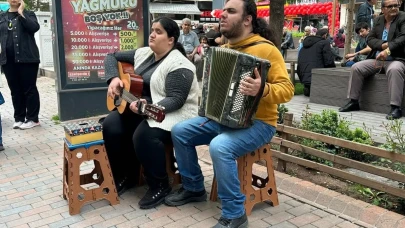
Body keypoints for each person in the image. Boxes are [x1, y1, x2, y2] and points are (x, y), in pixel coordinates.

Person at [164, 0, 295, 227]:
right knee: (180, 131)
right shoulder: (222, 50)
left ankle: (235, 214)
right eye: (223, 10)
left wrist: (262, 89)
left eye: (230, 11)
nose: (222, 15)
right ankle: (194, 188)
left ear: (247, 20)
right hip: (222, 119)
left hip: (259, 124)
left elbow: (287, 91)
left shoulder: (266, 49)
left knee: (220, 146)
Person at [103, 17, 199, 209]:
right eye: (152, 30)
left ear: (171, 39)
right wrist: (113, 79)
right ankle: (126, 176)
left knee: (144, 134)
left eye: (159, 31)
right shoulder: (144, 53)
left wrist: (147, 107)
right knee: (111, 125)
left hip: (173, 113)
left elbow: (176, 99)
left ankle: (159, 184)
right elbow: (111, 56)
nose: (152, 34)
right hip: (139, 108)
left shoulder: (180, 64)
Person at [339, 0, 405, 119]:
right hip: (377, 59)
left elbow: (403, 39)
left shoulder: (402, 17)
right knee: (356, 67)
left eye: (396, 5)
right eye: (391, 6)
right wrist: (384, 45)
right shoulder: (378, 20)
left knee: (395, 69)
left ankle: (396, 108)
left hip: (396, 58)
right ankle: (353, 102)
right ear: (383, 9)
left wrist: (387, 50)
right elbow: (370, 39)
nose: (395, 8)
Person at [0, 0, 41, 130]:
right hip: (7, 60)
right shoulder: (1, 16)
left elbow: (34, 28)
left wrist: (21, 12)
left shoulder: (29, 14)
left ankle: (33, 119)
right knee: (15, 90)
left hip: (27, 58)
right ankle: (19, 118)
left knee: (29, 89)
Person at [297, 29, 336, 97]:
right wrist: (334, 70)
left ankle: (308, 88)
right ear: (325, 35)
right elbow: (329, 61)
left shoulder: (304, 46)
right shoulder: (324, 43)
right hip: (317, 77)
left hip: (304, 77)